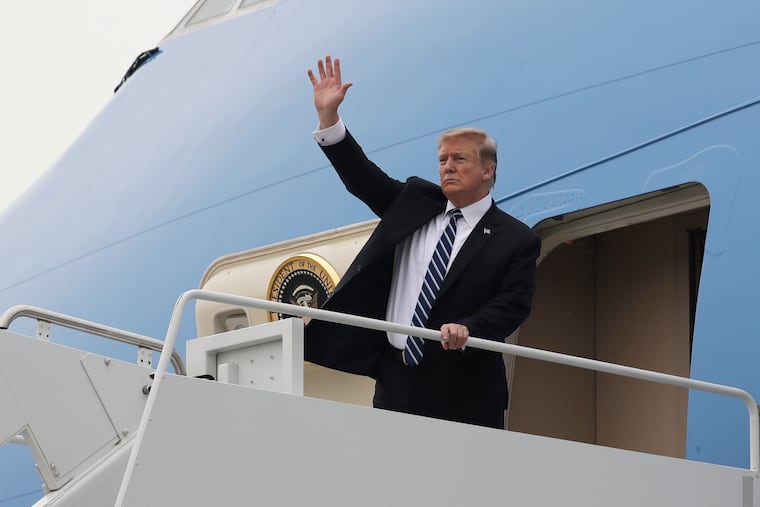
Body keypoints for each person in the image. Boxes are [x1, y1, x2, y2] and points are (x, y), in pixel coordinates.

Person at [303, 55, 540, 429]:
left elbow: (513, 305)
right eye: (443, 159)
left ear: (487, 170)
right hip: (395, 377)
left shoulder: (516, 238)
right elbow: (361, 177)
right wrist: (329, 120)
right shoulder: (415, 201)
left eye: (459, 159)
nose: (447, 166)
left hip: (466, 387)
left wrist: (470, 327)